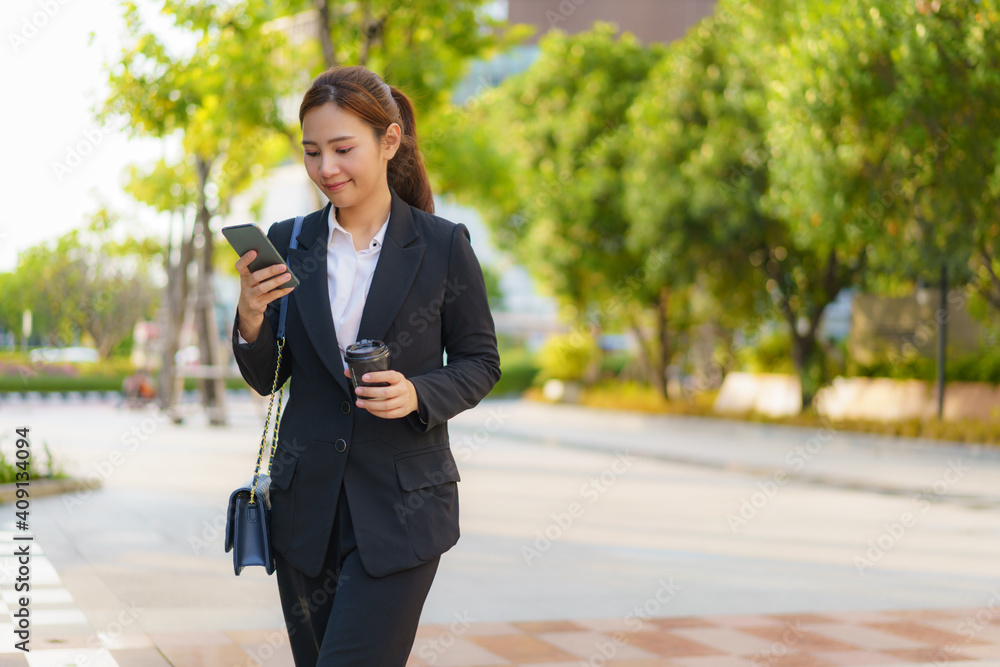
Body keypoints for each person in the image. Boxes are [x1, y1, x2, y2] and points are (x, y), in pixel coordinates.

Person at [230, 65, 501, 666]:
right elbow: (266, 375)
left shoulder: (442, 245)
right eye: (312, 152)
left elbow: (482, 361)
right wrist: (250, 315)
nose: (327, 168)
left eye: (343, 148)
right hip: (304, 516)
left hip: (401, 515)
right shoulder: (288, 240)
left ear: (389, 140)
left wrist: (418, 394)